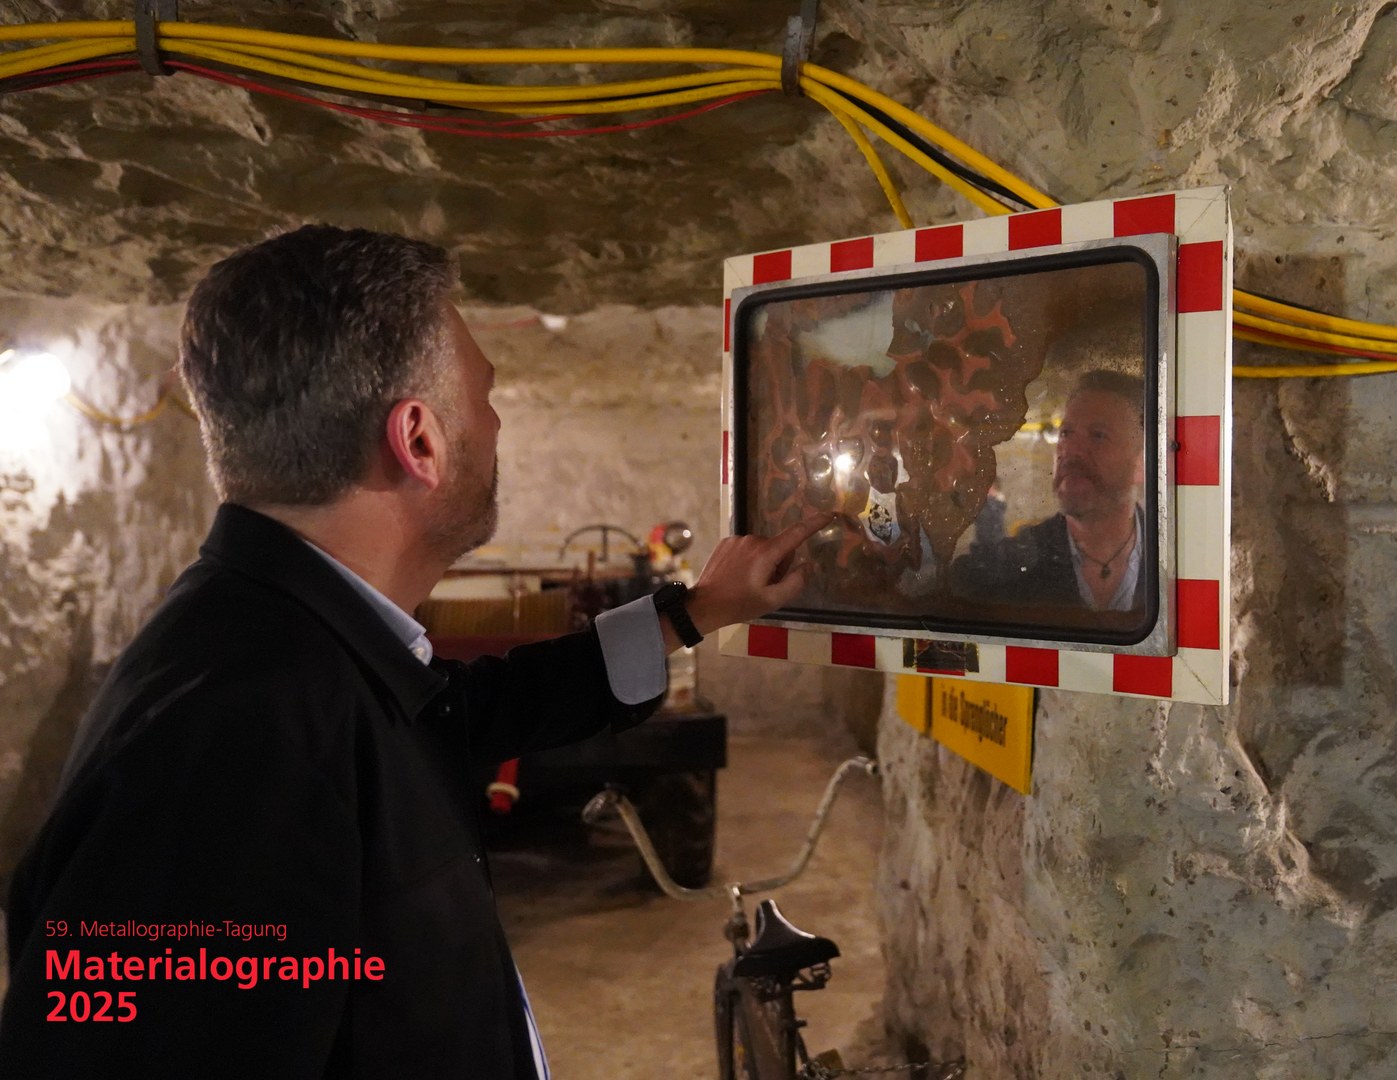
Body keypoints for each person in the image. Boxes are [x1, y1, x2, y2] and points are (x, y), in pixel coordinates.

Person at [0, 225, 827, 1080]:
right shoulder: (229, 746)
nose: (495, 423)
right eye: (485, 396)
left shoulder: (291, 644)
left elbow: (463, 713)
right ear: (420, 441)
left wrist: (692, 613)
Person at [950, 369, 1147, 613]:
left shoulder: (1174, 560)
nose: (1070, 449)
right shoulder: (1005, 570)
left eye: (1098, 435)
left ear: (1142, 463)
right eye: (1065, 433)